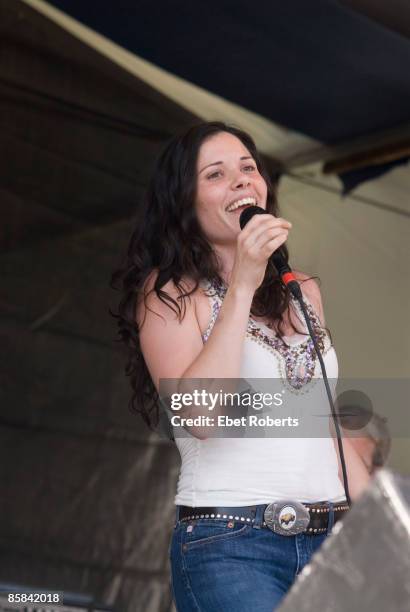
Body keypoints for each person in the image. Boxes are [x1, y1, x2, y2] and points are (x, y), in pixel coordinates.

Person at [111, 121, 371, 612]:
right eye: (215, 174)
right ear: (184, 202)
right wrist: (243, 283)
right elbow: (201, 419)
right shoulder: (168, 296)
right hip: (232, 543)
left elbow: (325, 425)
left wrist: (385, 521)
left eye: (248, 168)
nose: (240, 181)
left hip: (334, 545)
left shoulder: (304, 291)